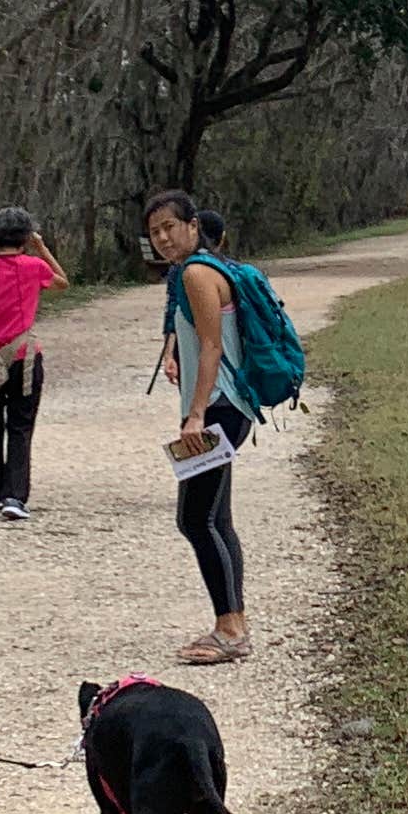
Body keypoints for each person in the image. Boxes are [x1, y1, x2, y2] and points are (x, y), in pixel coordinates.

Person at [144, 187, 253, 665]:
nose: (164, 238)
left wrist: (195, 413)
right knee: (215, 518)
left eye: (170, 227)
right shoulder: (203, 270)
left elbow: (211, 347)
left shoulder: (195, 273)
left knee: (195, 518)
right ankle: (232, 622)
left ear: (192, 226)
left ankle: (230, 630)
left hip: (218, 409)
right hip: (225, 406)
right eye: (154, 232)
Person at [0, 206, 67, 519]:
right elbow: (62, 281)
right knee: (20, 426)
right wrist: (42, 247)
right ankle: (14, 496)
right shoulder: (34, 266)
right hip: (25, 359)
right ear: (25, 236)